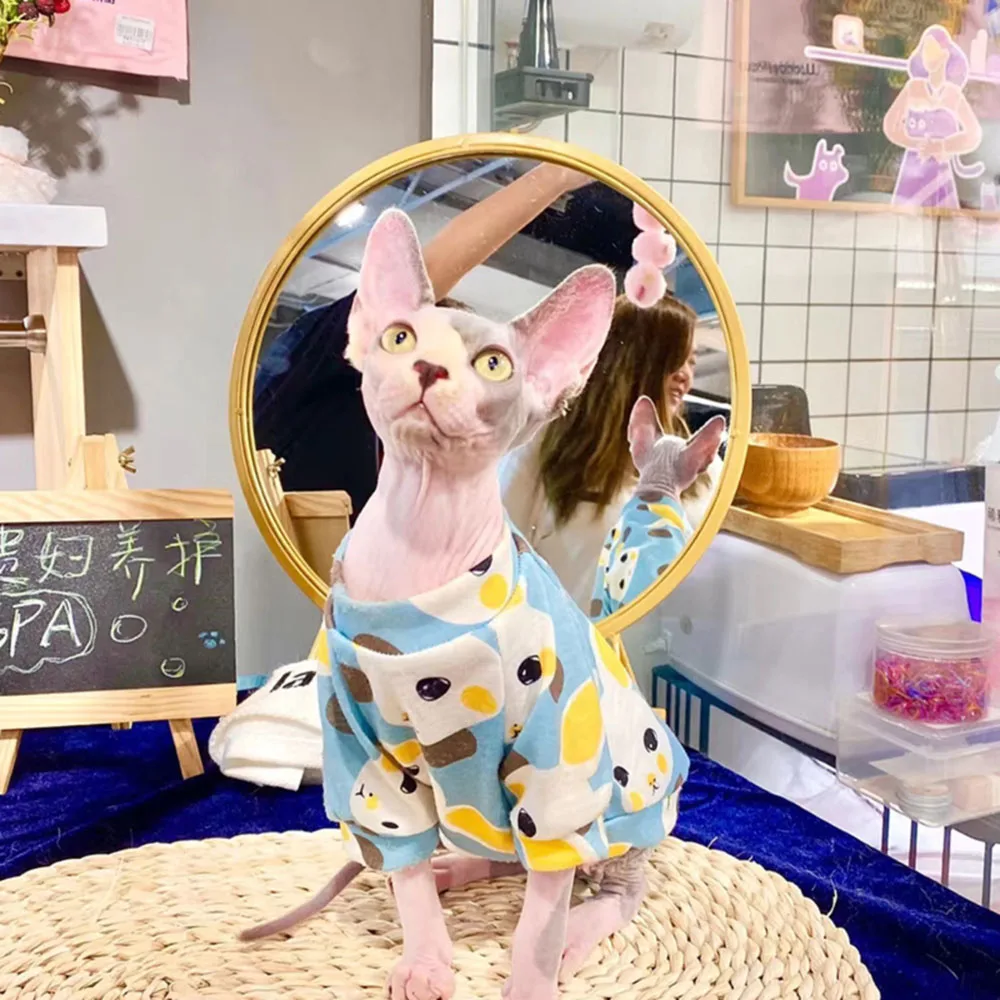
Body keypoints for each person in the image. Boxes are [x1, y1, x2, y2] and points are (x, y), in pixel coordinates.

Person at [253, 162, 590, 513]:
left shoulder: (427, 461)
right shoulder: (322, 369)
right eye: (406, 341)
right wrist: (555, 176)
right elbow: (434, 268)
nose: (433, 370)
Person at [500, 292, 723, 612]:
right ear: (632, 359)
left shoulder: (701, 463)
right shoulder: (543, 446)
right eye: (675, 357)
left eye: (692, 361)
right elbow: (494, 560)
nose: (686, 375)